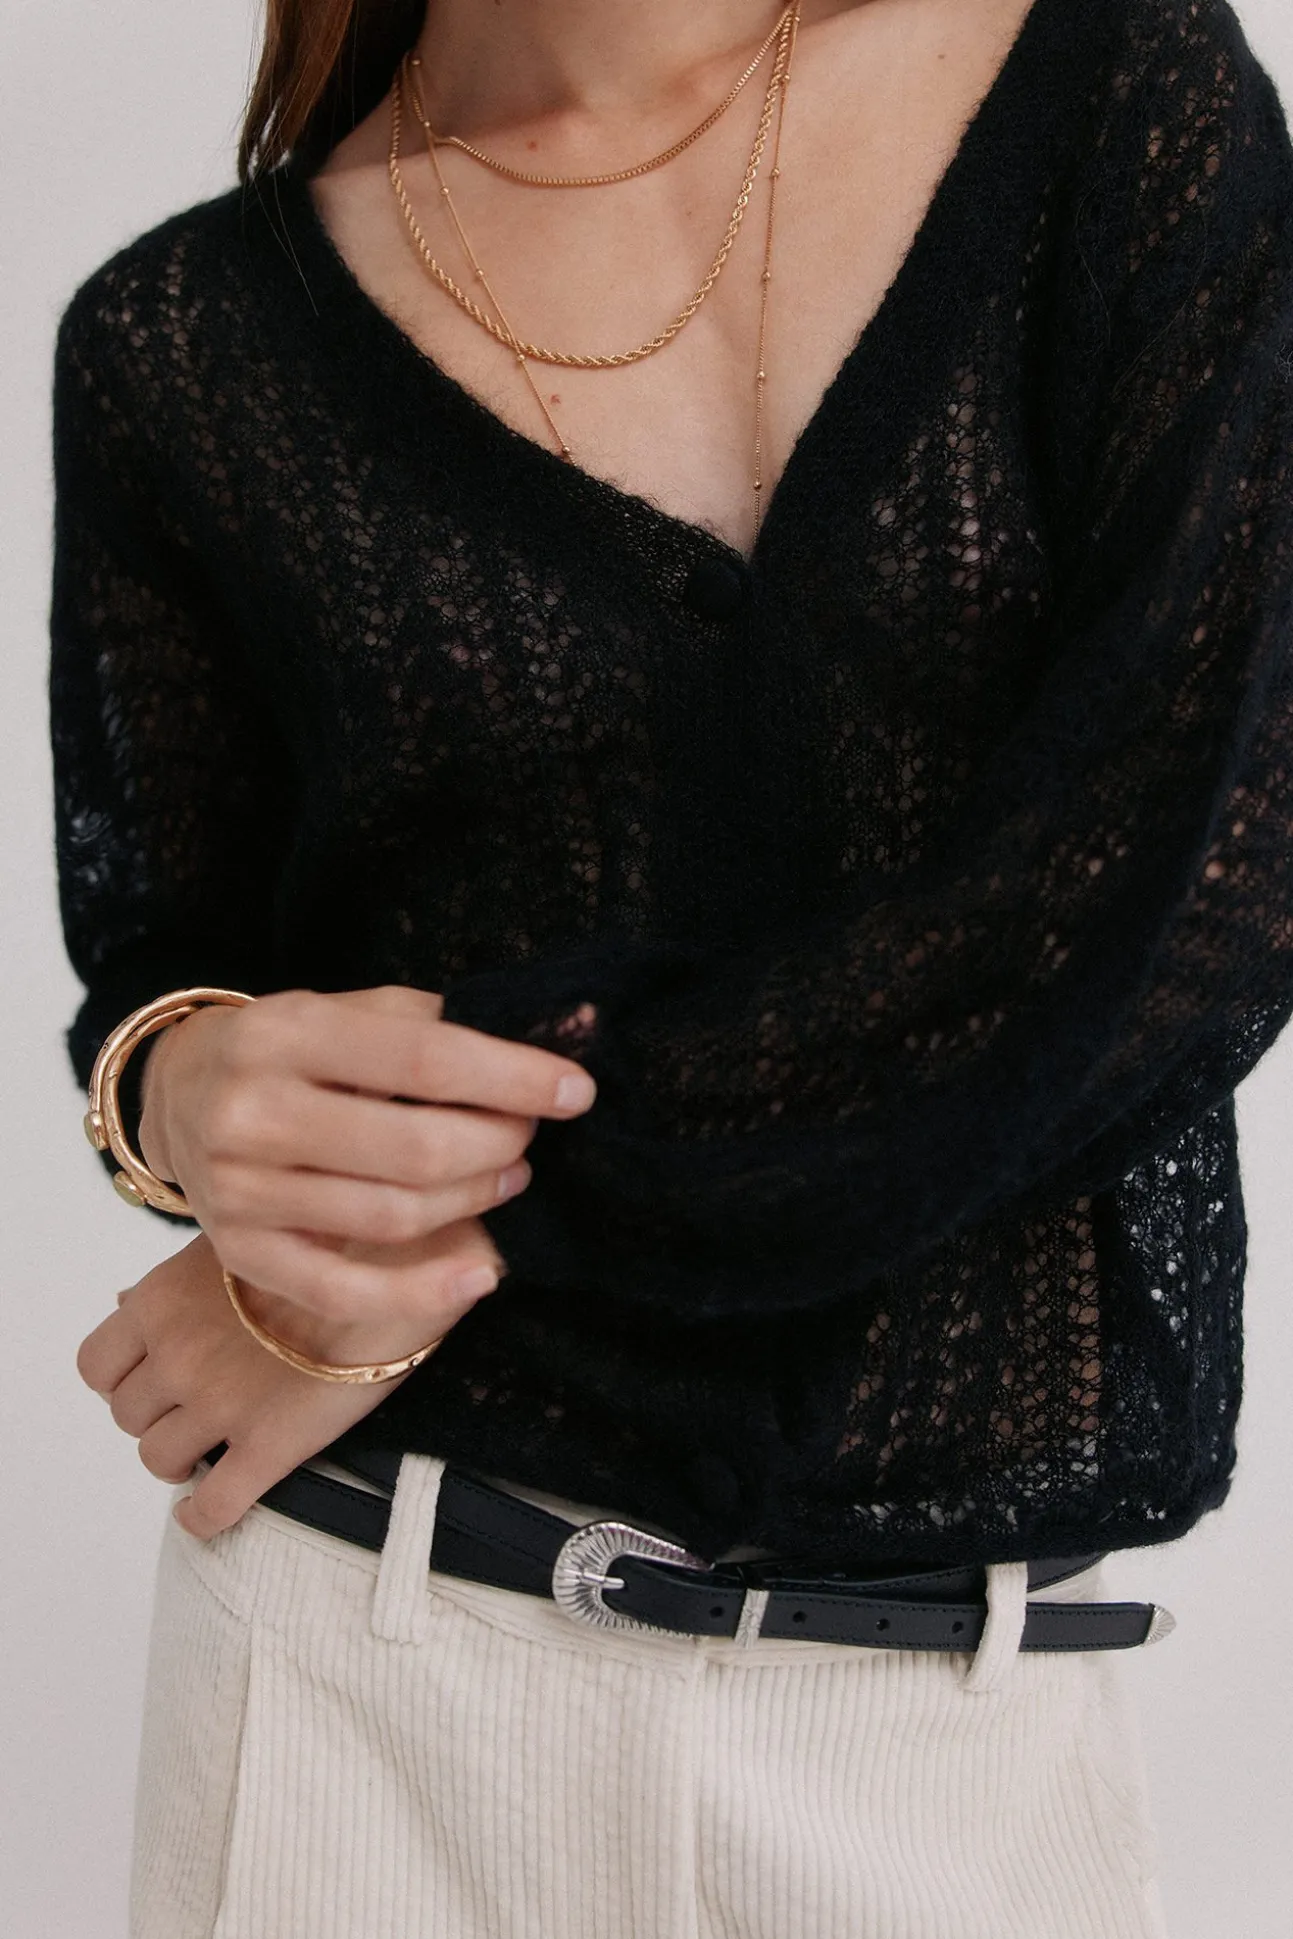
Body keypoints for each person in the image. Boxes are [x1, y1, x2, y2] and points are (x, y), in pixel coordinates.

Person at [48, 0, 1293, 1933]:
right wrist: (175, 1085)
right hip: (363, 1696)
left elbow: (1193, 894)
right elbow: (168, 948)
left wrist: (483, 1214)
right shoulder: (184, 345)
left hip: (952, 1758)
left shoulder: (1117, 89)